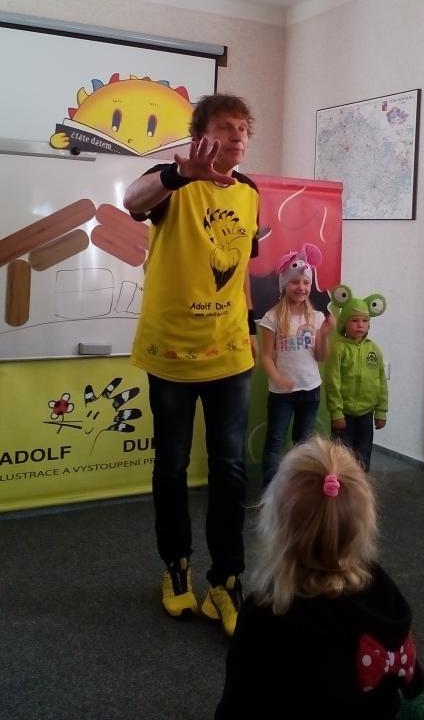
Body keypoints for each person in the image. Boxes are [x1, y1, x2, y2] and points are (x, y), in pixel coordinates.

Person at [123, 93, 259, 636]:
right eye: (226, 127)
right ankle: (175, 568)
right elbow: (132, 201)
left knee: (230, 468)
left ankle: (226, 580)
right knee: (172, 465)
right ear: (201, 135)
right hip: (172, 352)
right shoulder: (171, 180)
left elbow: (239, 268)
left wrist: (250, 330)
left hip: (229, 351)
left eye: (243, 128)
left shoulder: (249, 192)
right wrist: (179, 174)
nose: (238, 136)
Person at [215, 435, 424, 719]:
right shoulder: (382, 589)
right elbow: (413, 682)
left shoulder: (267, 614)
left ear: (276, 524)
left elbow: (235, 710)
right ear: (364, 524)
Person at [259, 242, 334, 487]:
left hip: (310, 390)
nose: (301, 287)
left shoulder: (317, 317)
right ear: (284, 285)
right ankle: (271, 491)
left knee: (303, 445)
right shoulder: (272, 317)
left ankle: (298, 490)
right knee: (275, 442)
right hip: (282, 394)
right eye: (295, 282)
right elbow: (266, 356)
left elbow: (321, 357)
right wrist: (278, 378)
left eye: (306, 282)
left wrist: (324, 335)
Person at [323, 283, 388, 471]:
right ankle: (340, 485)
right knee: (341, 456)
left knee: (364, 453)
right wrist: (336, 411)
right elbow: (332, 381)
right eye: (354, 320)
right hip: (344, 414)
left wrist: (381, 411)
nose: (360, 324)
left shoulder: (374, 349)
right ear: (344, 323)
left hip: (367, 413)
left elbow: (381, 381)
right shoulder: (338, 349)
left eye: (364, 320)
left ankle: (360, 484)